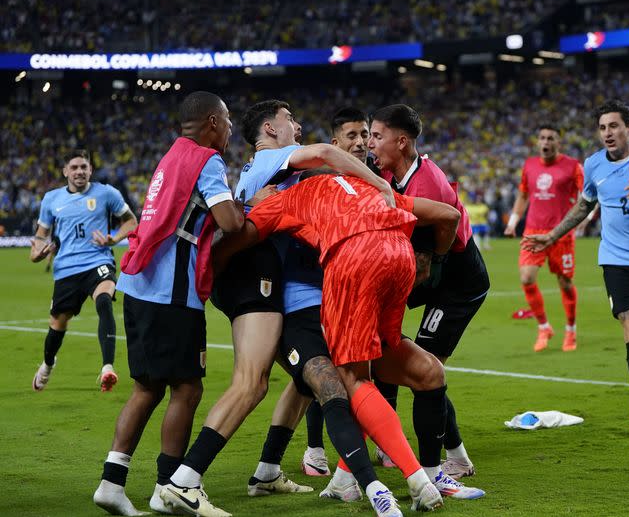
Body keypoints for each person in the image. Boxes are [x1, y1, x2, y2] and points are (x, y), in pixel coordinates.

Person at [159, 100, 400, 517]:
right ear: (270, 128)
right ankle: (185, 479)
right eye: (290, 119)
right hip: (262, 283)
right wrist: (382, 187)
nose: (299, 124)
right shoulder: (272, 157)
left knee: (300, 382)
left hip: (260, 281)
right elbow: (325, 153)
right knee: (259, 383)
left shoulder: (270, 172)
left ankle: (266, 469)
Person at [213, 172, 467, 514]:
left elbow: (236, 238)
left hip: (354, 259)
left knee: (353, 379)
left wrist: (208, 276)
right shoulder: (368, 186)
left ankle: (418, 479)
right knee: (383, 359)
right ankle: (346, 479)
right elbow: (449, 214)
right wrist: (434, 260)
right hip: (401, 257)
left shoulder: (286, 197)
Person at [93, 91, 246, 516]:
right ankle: (168, 486)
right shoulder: (206, 160)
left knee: (147, 387)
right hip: (171, 293)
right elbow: (232, 222)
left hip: (139, 284)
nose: (232, 128)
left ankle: (112, 481)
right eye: (228, 119)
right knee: (187, 388)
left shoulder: (171, 157)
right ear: (212, 122)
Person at [524, 100, 629, 434]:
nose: (607, 134)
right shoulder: (594, 165)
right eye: (602, 128)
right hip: (616, 260)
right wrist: (552, 236)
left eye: (614, 126)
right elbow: (584, 206)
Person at [368, 104, 490, 480]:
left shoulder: (423, 185)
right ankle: (391, 443)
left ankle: (455, 459)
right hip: (436, 272)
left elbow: (421, 267)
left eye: (376, 136)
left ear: (401, 142)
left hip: (457, 281)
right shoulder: (393, 173)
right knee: (394, 352)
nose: (370, 144)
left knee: (425, 369)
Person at [301, 106, 372, 477]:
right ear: (334, 143)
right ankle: (315, 449)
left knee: (367, 367)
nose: (360, 143)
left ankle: (363, 446)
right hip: (328, 288)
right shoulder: (321, 183)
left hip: (366, 288)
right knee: (329, 368)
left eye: (364, 135)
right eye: (351, 136)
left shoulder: (374, 179)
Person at [30, 149, 137, 392]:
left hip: (97, 262)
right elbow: (40, 237)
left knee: (104, 301)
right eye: (75, 167)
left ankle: (107, 367)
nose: (79, 171)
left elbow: (131, 221)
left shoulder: (106, 193)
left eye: (84, 167)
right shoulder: (51, 199)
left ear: (90, 169)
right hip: (66, 269)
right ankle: (47, 364)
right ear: (65, 171)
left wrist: (114, 238)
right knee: (58, 323)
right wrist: (36, 254)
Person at [504, 125, 583, 352]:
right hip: (533, 232)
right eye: (542, 138)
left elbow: (586, 194)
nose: (546, 142)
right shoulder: (529, 165)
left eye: (551, 138)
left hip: (561, 234)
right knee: (527, 277)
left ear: (559, 143)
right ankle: (544, 327)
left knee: (564, 282)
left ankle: (571, 330)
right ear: (538, 142)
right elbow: (522, 195)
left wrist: (584, 219)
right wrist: (512, 223)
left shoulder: (572, 166)